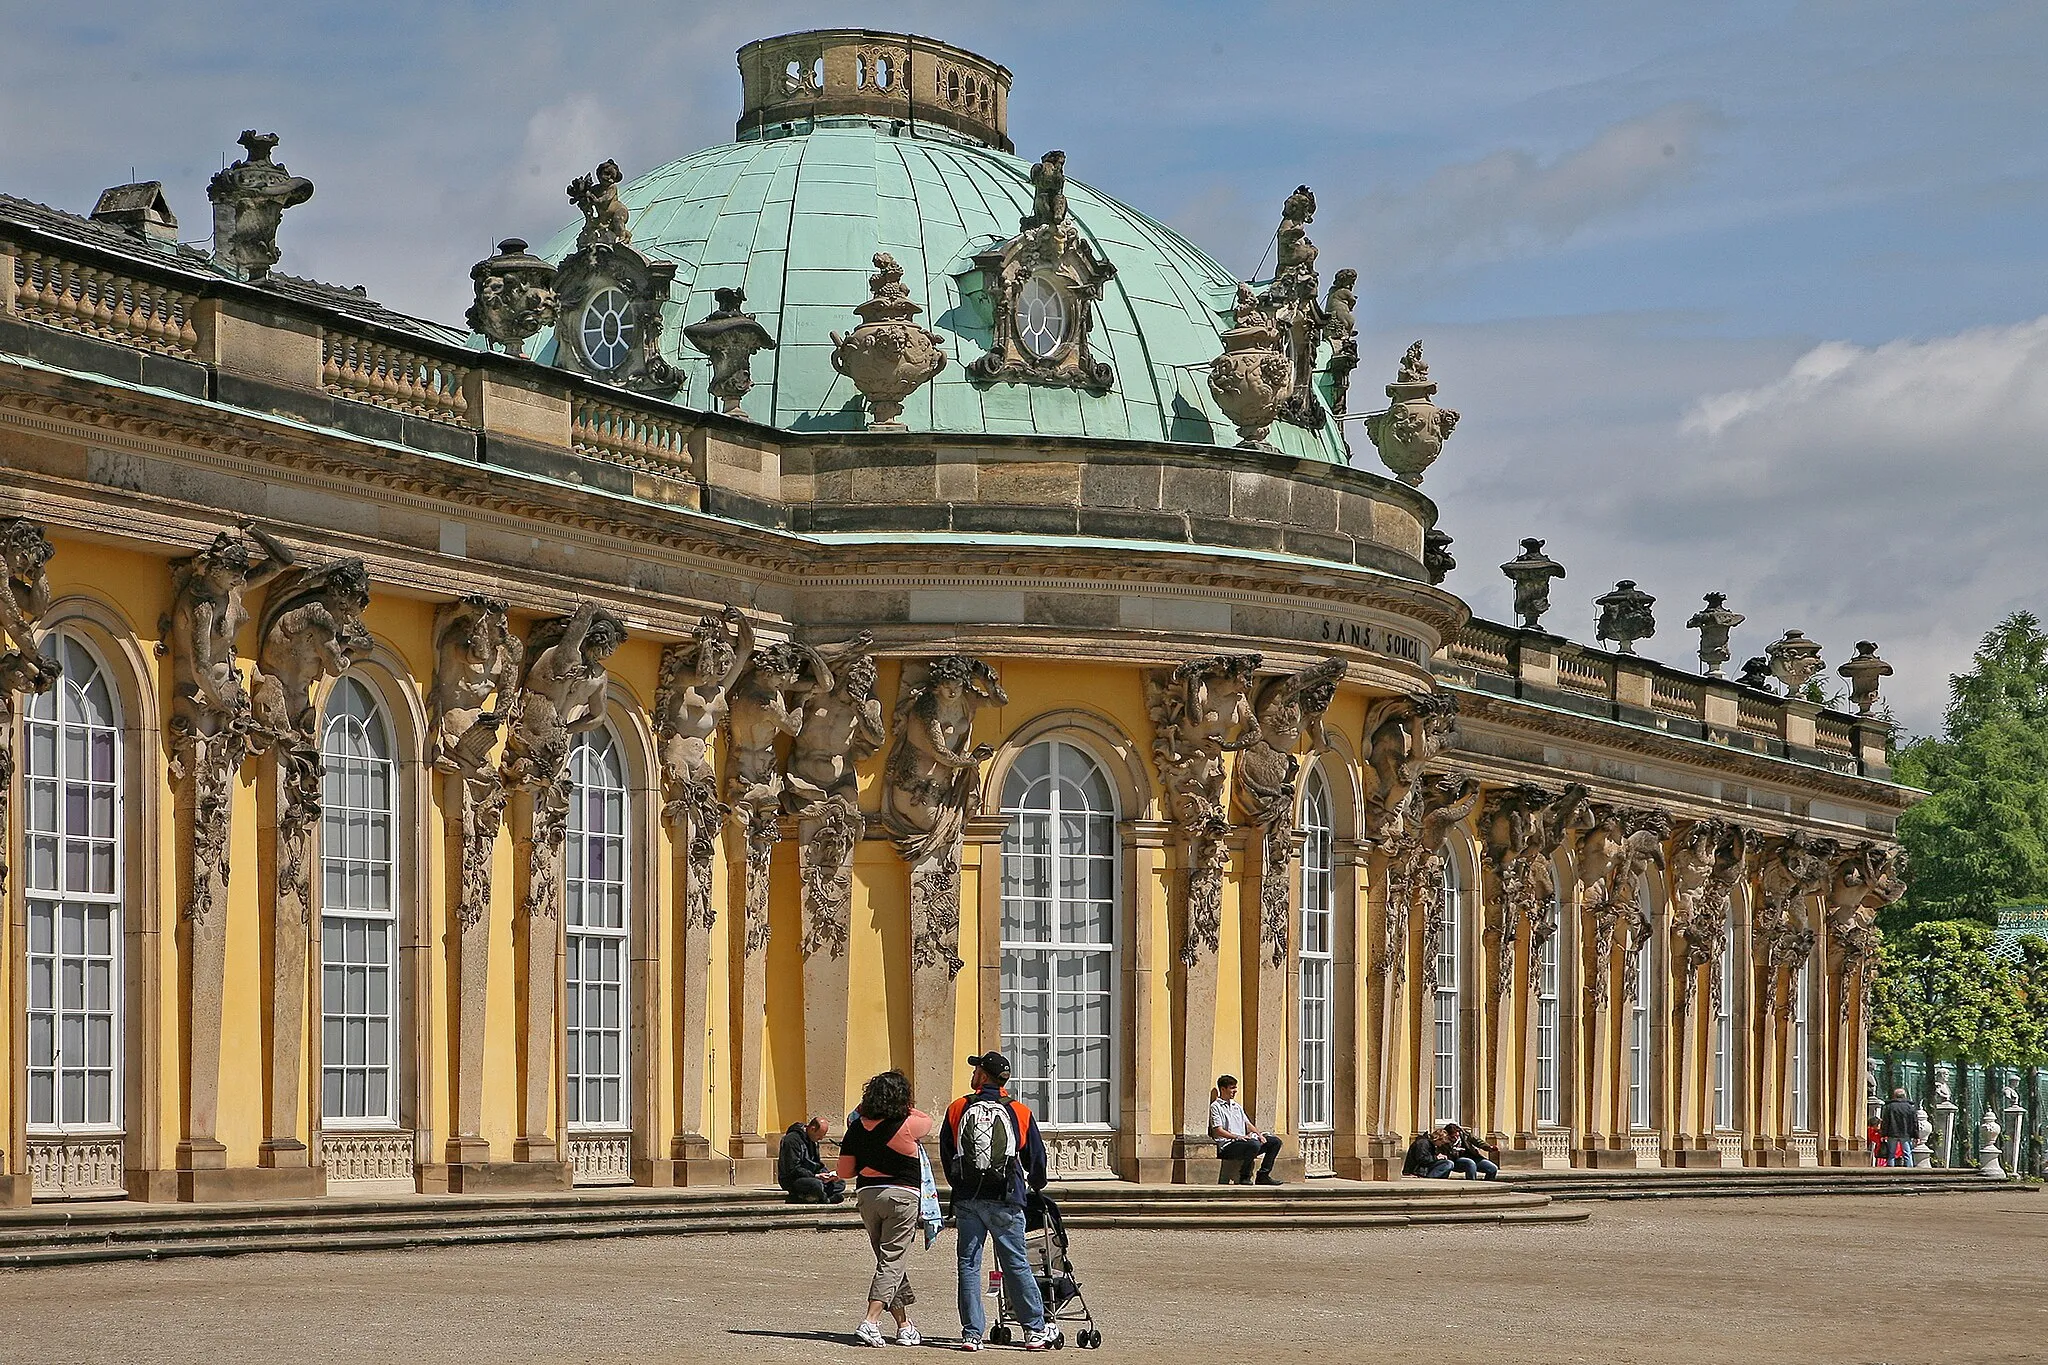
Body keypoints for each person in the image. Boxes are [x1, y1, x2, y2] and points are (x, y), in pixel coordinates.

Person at [940, 1050, 1052, 1353]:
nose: (973, 1073)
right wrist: (1034, 1186)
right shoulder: (1020, 1111)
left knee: (968, 1265)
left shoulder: (958, 1108)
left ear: (983, 1076)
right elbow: (1036, 1159)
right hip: (1006, 1196)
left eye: (976, 1069)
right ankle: (1034, 1330)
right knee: (1016, 1263)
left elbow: (948, 1153)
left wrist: (960, 1185)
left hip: (968, 1198)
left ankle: (972, 1334)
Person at [836, 1070, 934, 1348]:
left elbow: (844, 1172)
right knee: (892, 1261)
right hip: (902, 1196)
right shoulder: (908, 1124)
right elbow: (927, 1120)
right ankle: (870, 1321)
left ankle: (904, 1326)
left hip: (868, 1196)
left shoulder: (855, 1128)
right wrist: (904, 1105)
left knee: (888, 1262)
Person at [1209, 1075, 1284, 1185]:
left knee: (1274, 1142)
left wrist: (1259, 1135)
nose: (1235, 1091)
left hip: (1244, 1142)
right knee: (1253, 1145)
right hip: (1228, 1146)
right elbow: (1218, 1130)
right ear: (1223, 1089)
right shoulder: (1216, 1107)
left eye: (1235, 1087)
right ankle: (1245, 1176)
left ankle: (1263, 1175)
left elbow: (1247, 1124)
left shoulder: (1236, 1106)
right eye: (1232, 1088)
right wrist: (1238, 1137)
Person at [779, 1115, 845, 1204]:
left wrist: (828, 1175)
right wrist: (815, 1176)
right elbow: (792, 1169)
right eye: (819, 1136)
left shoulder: (813, 1141)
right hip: (793, 1179)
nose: (821, 1139)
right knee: (816, 1184)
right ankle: (825, 1199)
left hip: (812, 1176)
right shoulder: (792, 1140)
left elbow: (817, 1164)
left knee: (840, 1183)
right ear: (812, 1129)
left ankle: (815, 1196)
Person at [1879, 1087, 1918, 1167]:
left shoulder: (1889, 1107)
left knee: (1891, 1154)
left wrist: (1883, 1134)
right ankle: (1909, 1172)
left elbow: (1886, 1121)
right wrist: (1916, 1135)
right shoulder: (1910, 1107)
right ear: (1904, 1096)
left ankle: (1891, 1171)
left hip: (1892, 1133)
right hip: (1905, 1133)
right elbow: (1914, 1122)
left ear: (1894, 1096)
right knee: (1907, 1154)